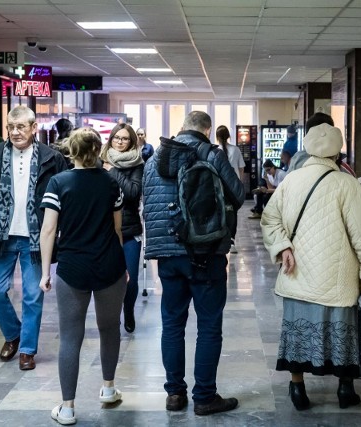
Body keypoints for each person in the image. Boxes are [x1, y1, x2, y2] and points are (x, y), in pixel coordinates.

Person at [261, 123, 361, 410]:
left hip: (297, 275)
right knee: (342, 332)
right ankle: (344, 390)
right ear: (338, 150)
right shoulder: (347, 184)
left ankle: (298, 389)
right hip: (337, 278)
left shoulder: (291, 180)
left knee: (297, 332)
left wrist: (283, 247)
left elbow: (269, 219)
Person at [142, 111, 245, 415]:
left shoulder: (153, 160)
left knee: (172, 324)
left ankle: (174, 395)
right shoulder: (211, 154)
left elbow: (150, 205)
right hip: (206, 251)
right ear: (206, 130)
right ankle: (205, 396)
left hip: (168, 255)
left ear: (182, 128)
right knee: (209, 326)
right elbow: (238, 195)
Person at [0, 105, 67, 371]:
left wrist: (63, 228)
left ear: (34, 128)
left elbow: (63, 196)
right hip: (2, 235)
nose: (15, 132)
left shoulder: (51, 158)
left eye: (21, 126)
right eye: (11, 127)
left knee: (33, 294)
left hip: (37, 237)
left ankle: (27, 349)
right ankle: (13, 334)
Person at [38, 127, 127, 425]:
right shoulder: (112, 183)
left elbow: (49, 231)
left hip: (73, 268)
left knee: (70, 337)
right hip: (109, 265)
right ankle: (108, 389)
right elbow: (117, 230)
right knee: (109, 328)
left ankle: (67, 408)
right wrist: (124, 265)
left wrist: (45, 271)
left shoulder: (58, 183)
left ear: (71, 151)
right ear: (98, 150)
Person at [101, 122, 144, 333]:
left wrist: (114, 170)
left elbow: (132, 193)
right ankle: (112, 316)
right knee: (109, 279)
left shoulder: (137, 163)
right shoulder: (100, 161)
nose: (120, 142)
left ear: (131, 141)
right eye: (117, 137)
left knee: (131, 279)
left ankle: (129, 310)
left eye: (125, 138)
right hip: (105, 230)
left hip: (129, 229)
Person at [216, 125, 245, 253]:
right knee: (233, 213)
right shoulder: (236, 150)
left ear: (217, 137)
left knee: (220, 211)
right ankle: (231, 240)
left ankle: (220, 238)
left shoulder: (215, 150)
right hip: (233, 187)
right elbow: (241, 168)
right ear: (228, 136)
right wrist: (240, 183)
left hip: (219, 186)